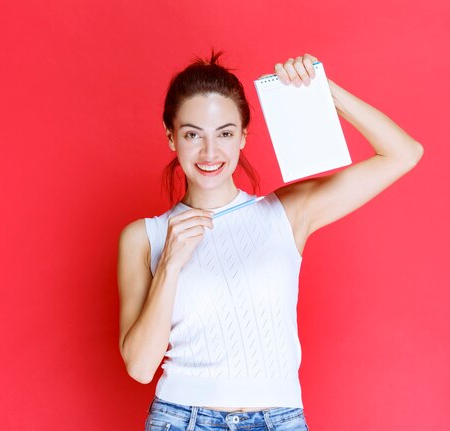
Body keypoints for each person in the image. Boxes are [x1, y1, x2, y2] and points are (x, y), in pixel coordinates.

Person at [117, 51, 423, 431]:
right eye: (193, 134)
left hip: (279, 420)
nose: (210, 153)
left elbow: (404, 153)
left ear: (244, 135)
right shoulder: (144, 237)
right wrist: (170, 265)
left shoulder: (287, 212)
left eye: (225, 133)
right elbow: (141, 368)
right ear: (170, 137)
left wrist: (322, 91)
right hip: (181, 419)